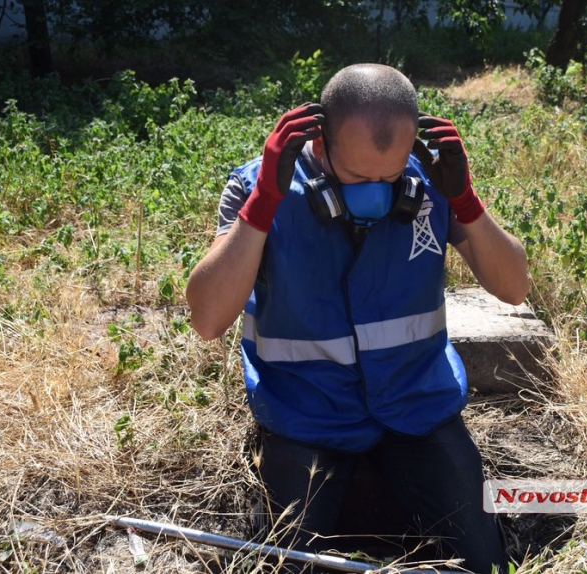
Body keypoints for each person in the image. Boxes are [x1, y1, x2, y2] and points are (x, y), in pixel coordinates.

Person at [186, 63, 529, 573]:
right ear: (320, 145)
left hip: (419, 406)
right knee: (287, 564)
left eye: (391, 177)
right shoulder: (257, 187)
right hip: (305, 413)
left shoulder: (429, 181)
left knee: (487, 563)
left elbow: (514, 287)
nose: (380, 192)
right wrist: (263, 206)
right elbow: (208, 317)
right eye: (358, 177)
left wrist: (464, 199)